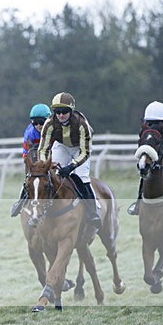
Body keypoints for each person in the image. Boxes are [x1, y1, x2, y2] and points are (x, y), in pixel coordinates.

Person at [36, 92, 102, 230]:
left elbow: (86, 151)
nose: (60, 115)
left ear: (71, 111)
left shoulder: (81, 123)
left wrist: (72, 166)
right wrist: (43, 165)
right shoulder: (49, 123)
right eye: (57, 111)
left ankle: (93, 212)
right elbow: (43, 149)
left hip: (79, 147)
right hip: (61, 146)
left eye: (64, 111)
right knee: (52, 175)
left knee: (82, 177)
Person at [11, 103, 51, 217]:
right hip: (34, 154)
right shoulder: (30, 133)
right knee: (30, 180)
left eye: (41, 122)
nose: (38, 125)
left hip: (51, 153)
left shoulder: (53, 129)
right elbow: (26, 153)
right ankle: (21, 202)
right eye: (35, 122)